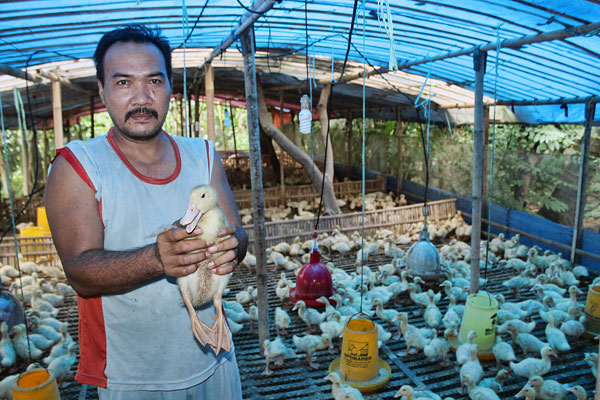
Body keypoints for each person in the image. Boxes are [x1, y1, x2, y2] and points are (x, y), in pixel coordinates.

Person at [44, 24, 247, 399]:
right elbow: (80, 272)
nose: (141, 97)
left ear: (170, 87)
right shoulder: (78, 165)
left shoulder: (201, 155)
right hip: (133, 377)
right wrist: (157, 258)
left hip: (215, 362)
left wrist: (232, 245)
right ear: (102, 90)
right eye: (123, 83)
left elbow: (238, 235)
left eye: (154, 81)